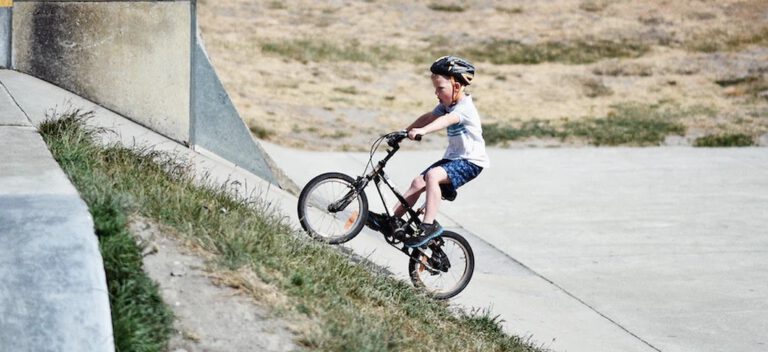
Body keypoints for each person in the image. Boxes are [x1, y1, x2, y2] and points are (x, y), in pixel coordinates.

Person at [367, 55, 490, 247]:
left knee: (433, 176)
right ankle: (392, 220)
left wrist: (423, 131)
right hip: (453, 159)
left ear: (456, 87)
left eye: (440, 88)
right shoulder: (447, 105)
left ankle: (428, 226)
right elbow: (430, 116)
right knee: (418, 182)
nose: (436, 92)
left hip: (471, 161)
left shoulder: (464, 108)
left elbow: (444, 121)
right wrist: (404, 132)